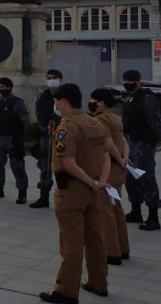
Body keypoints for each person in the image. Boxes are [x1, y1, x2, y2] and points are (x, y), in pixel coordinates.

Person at [39, 83, 113, 303]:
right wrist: (101, 182)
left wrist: (92, 182)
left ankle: (66, 292)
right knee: (95, 239)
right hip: (93, 191)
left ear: (63, 101)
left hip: (72, 191)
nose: (56, 106)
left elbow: (69, 163)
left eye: (56, 102)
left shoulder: (68, 127)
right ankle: (99, 283)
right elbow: (107, 156)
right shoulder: (95, 123)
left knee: (72, 243)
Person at [89, 88, 130, 264]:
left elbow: (109, 144)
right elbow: (124, 141)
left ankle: (111, 252)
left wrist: (119, 160)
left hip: (108, 169)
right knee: (117, 209)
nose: (91, 102)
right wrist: (125, 159)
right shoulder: (116, 118)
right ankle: (123, 248)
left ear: (101, 103)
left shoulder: (100, 120)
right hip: (119, 170)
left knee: (105, 210)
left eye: (94, 100)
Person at [120, 69, 161, 231]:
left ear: (139, 81)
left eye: (131, 82)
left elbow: (156, 122)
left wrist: (154, 142)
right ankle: (135, 210)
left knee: (146, 177)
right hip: (129, 142)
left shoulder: (147, 98)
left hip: (143, 143)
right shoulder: (128, 97)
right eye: (125, 82)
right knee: (129, 177)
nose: (127, 84)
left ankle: (153, 216)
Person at [0, 77, 29, 204]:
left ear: (10, 88)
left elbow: (25, 121)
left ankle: (22, 193)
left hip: (13, 138)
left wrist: (19, 134)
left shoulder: (17, 103)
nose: (0, 89)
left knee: (17, 165)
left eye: (3, 87)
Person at [31, 69, 63, 209]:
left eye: (54, 77)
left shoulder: (65, 95)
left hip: (63, 136)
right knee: (45, 167)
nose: (51, 80)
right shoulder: (43, 96)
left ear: (60, 79)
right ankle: (44, 197)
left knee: (63, 167)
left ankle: (64, 198)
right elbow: (38, 114)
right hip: (46, 136)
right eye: (49, 78)